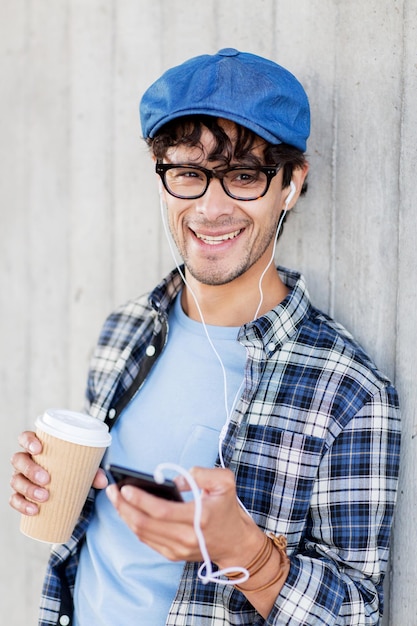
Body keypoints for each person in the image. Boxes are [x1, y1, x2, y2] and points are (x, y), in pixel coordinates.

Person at [10, 48, 401, 626]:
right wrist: (50, 489)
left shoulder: (348, 391)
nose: (211, 208)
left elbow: (359, 614)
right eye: (189, 174)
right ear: (162, 178)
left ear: (291, 184)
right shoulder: (125, 330)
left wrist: (246, 552)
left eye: (244, 176)